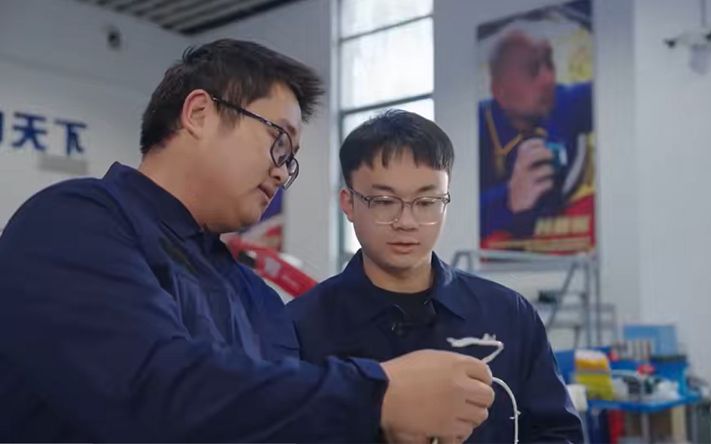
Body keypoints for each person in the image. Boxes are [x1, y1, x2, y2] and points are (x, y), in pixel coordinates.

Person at [0, 39, 495, 442]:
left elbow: (272, 422)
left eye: (291, 159)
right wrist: (377, 396)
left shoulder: (254, 295)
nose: (282, 172)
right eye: (278, 141)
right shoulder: (76, 222)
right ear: (199, 113)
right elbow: (151, 392)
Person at [288, 110, 584, 443]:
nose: (407, 222)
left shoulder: (509, 315)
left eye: (427, 201)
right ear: (349, 203)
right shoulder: (299, 328)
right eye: (384, 201)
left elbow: (557, 433)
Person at [479, 30, 593, 250]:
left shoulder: (563, 104)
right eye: (532, 70)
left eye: (549, 64)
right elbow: (451, 210)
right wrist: (508, 199)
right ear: (499, 89)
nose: (548, 79)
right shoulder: (475, 131)